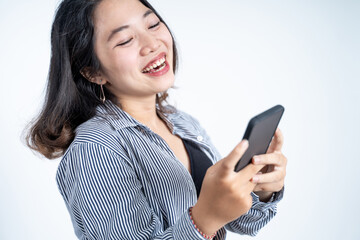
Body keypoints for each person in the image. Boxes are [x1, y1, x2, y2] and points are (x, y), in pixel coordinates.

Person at [26, 0, 287, 239]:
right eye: (125, 40)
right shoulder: (95, 148)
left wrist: (261, 188)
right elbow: (212, 218)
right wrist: (205, 219)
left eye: (153, 24)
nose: (152, 44)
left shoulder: (183, 123)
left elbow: (240, 221)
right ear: (92, 72)